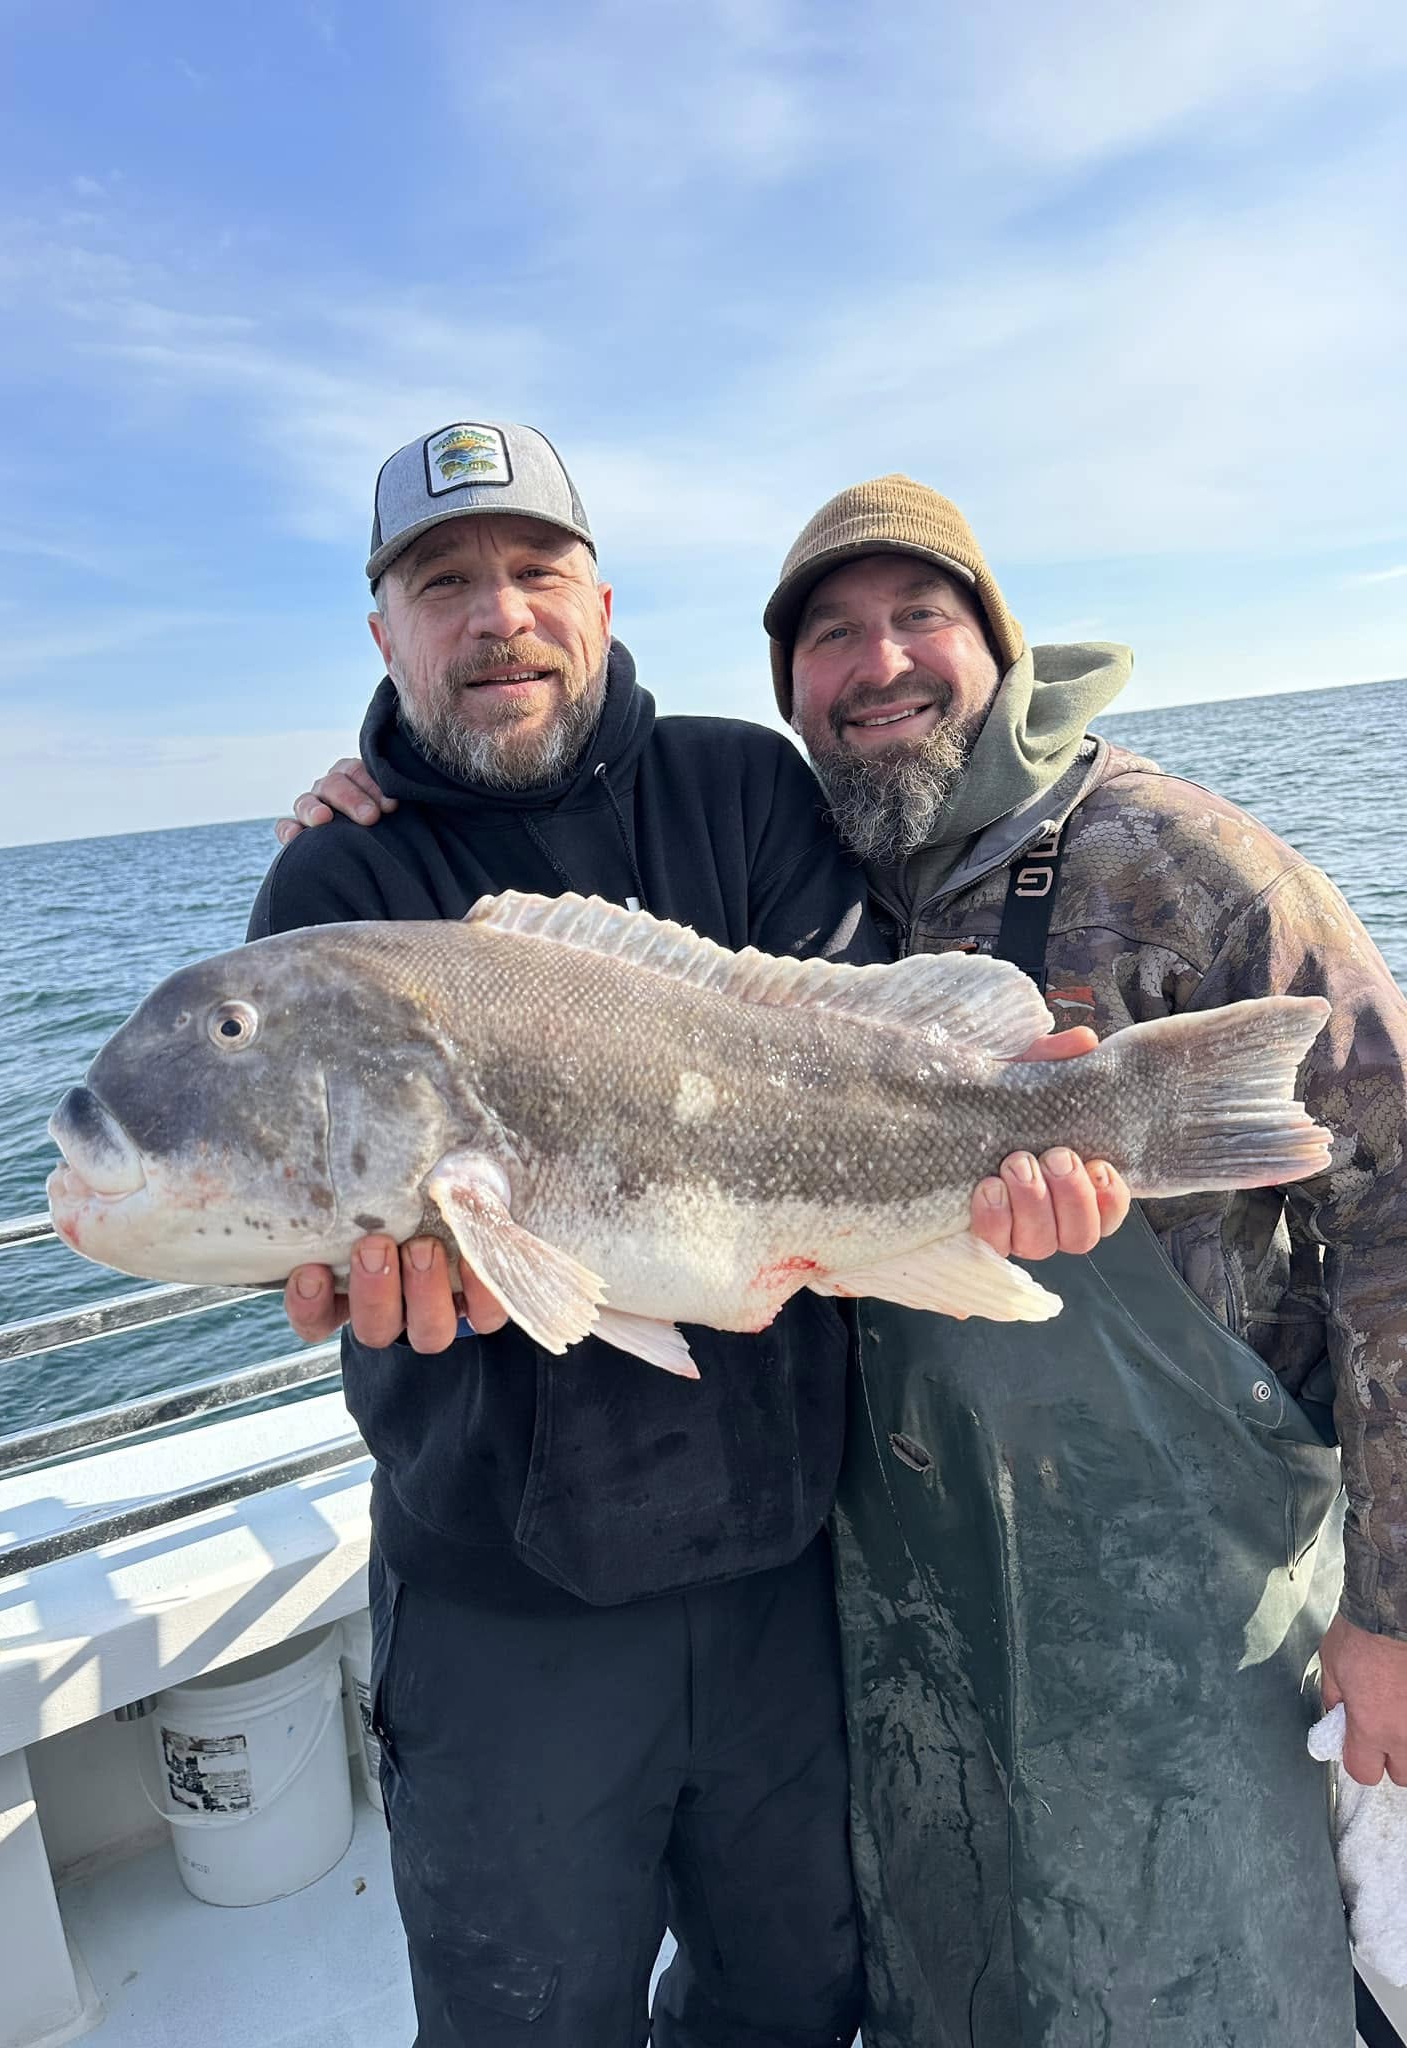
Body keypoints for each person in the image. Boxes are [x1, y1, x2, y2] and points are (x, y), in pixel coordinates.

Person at [255, 421, 1126, 2048]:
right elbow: (304, 1219)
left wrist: (1003, 1162)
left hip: (783, 1558)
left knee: (794, 1993)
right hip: (500, 1602)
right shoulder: (337, 885)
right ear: (385, 634)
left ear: (600, 600)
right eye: (444, 585)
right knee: (528, 2018)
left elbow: (864, 1051)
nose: (498, 616)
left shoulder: (745, 784)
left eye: (536, 570)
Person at [758, 472, 1407, 2046]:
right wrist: (371, 795)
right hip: (925, 1598)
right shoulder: (805, 886)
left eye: (920, 615)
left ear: (997, 643)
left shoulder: (1178, 858)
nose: (879, 662)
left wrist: (1391, 1609)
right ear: (788, 688)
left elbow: (1392, 1203)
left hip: (1202, 1599)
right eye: (832, 634)